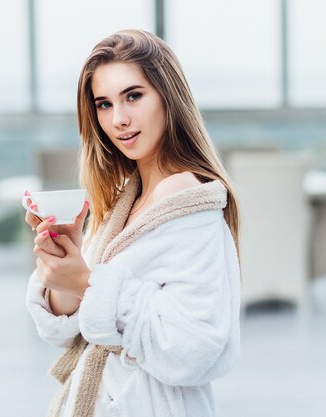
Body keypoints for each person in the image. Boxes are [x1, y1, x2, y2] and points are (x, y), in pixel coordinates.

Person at [24, 29, 241, 417]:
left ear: (168, 97)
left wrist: (85, 281)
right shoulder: (127, 196)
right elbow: (69, 327)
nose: (119, 119)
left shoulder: (187, 199)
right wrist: (65, 263)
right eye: (104, 104)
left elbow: (194, 346)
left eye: (133, 96)